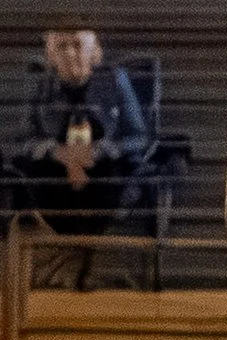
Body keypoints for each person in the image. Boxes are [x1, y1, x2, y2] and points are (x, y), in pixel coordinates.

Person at [4, 29, 153, 232]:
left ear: (94, 52)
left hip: (103, 176)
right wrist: (57, 152)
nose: (70, 53)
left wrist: (97, 151)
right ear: (51, 56)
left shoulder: (115, 80)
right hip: (53, 180)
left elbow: (139, 136)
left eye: (76, 45)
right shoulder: (40, 85)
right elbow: (20, 141)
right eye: (61, 47)